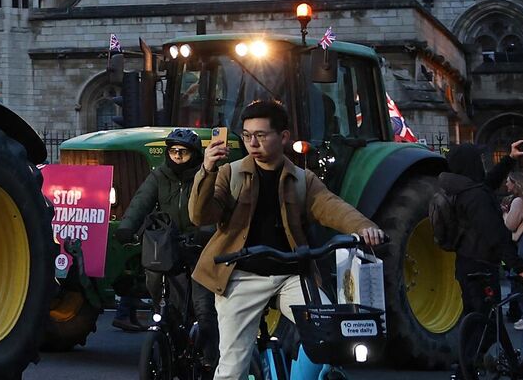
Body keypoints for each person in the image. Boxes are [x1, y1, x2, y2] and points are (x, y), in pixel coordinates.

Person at [190, 99, 386, 380]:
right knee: (232, 369)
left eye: (260, 135)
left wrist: (365, 227)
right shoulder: (229, 173)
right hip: (241, 274)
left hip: (293, 275)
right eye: (246, 136)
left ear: (283, 137)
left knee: (329, 332)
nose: (252, 143)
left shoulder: (301, 179)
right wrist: (207, 170)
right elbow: (200, 215)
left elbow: (331, 205)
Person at [111, 128, 219, 358]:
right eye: (173, 151)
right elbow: (141, 200)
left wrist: (205, 232)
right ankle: (168, 335)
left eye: (184, 152)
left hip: (200, 246)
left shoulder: (206, 175)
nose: (178, 156)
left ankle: (211, 361)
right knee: (159, 288)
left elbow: (217, 208)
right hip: (169, 244)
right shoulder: (160, 175)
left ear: (195, 154)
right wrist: (127, 227)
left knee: (204, 309)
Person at [439, 142, 523, 372]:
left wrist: (509, 158)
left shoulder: (458, 190)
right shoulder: (476, 197)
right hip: (481, 266)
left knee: (474, 319)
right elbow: (497, 235)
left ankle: (466, 365)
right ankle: (466, 367)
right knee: (489, 325)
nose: (482, 163)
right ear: (470, 164)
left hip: (465, 264)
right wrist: (519, 268)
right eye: (478, 160)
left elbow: (487, 184)